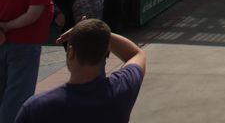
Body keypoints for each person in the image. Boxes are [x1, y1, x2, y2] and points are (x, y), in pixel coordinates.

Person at [15, 18, 146, 123]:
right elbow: (136, 54)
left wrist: (87, 33)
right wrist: (100, 35)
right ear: (105, 52)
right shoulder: (121, 89)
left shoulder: (36, 108)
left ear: (70, 52)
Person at [0, 0, 53, 123]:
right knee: (18, 95)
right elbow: (33, 15)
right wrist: (7, 26)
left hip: (2, 41)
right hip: (25, 43)